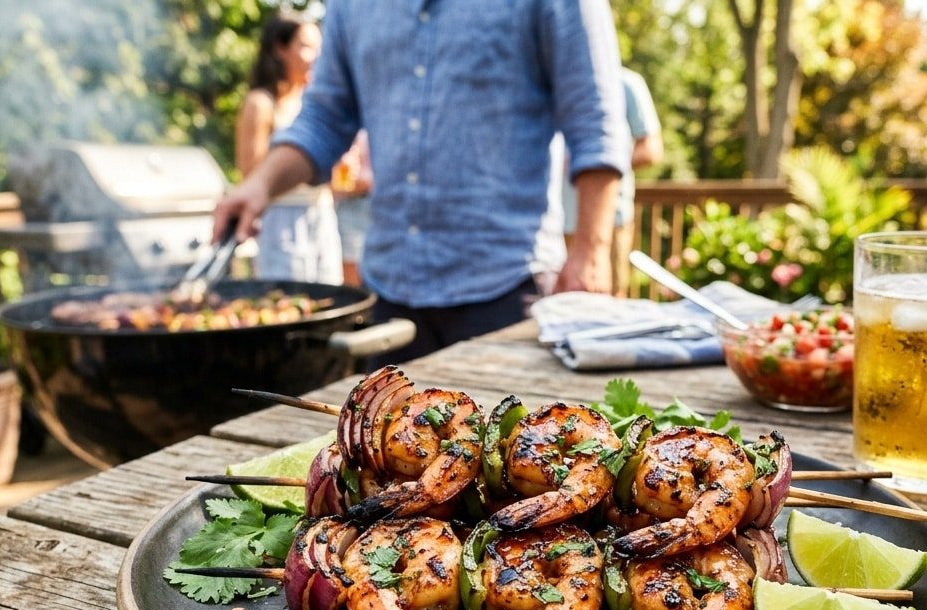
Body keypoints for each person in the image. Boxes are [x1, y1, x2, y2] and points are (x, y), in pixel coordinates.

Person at [214, 0, 629, 364]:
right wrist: (260, 184)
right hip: (391, 292)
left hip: (506, 285)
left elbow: (595, 118)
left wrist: (591, 251)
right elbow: (323, 118)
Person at [236, 12, 342, 284]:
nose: (316, 56)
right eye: (306, 47)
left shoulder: (314, 103)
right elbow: (250, 173)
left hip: (322, 214)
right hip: (282, 221)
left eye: (320, 48)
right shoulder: (261, 103)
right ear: (280, 48)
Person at [564, 66, 663, 296]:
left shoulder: (626, 83)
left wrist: (594, 166)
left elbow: (652, 149)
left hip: (607, 222)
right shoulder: (554, 81)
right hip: (551, 223)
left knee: (606, 304)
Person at [332, 131, 372, 287]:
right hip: (352, 206)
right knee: (353, 282)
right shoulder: (348, 130)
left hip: (378, 207)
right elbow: (338, 184)